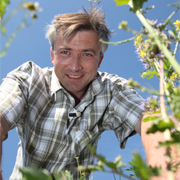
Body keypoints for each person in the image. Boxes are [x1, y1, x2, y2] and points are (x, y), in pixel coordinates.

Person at [0, 6, 179, 180]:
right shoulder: (28, 79)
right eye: (65, 52)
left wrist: (165, 165)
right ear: (52, 55)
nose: (75, 66)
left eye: (87, 54)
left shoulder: (111, 89)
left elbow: (149, 119)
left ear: (99, 60)